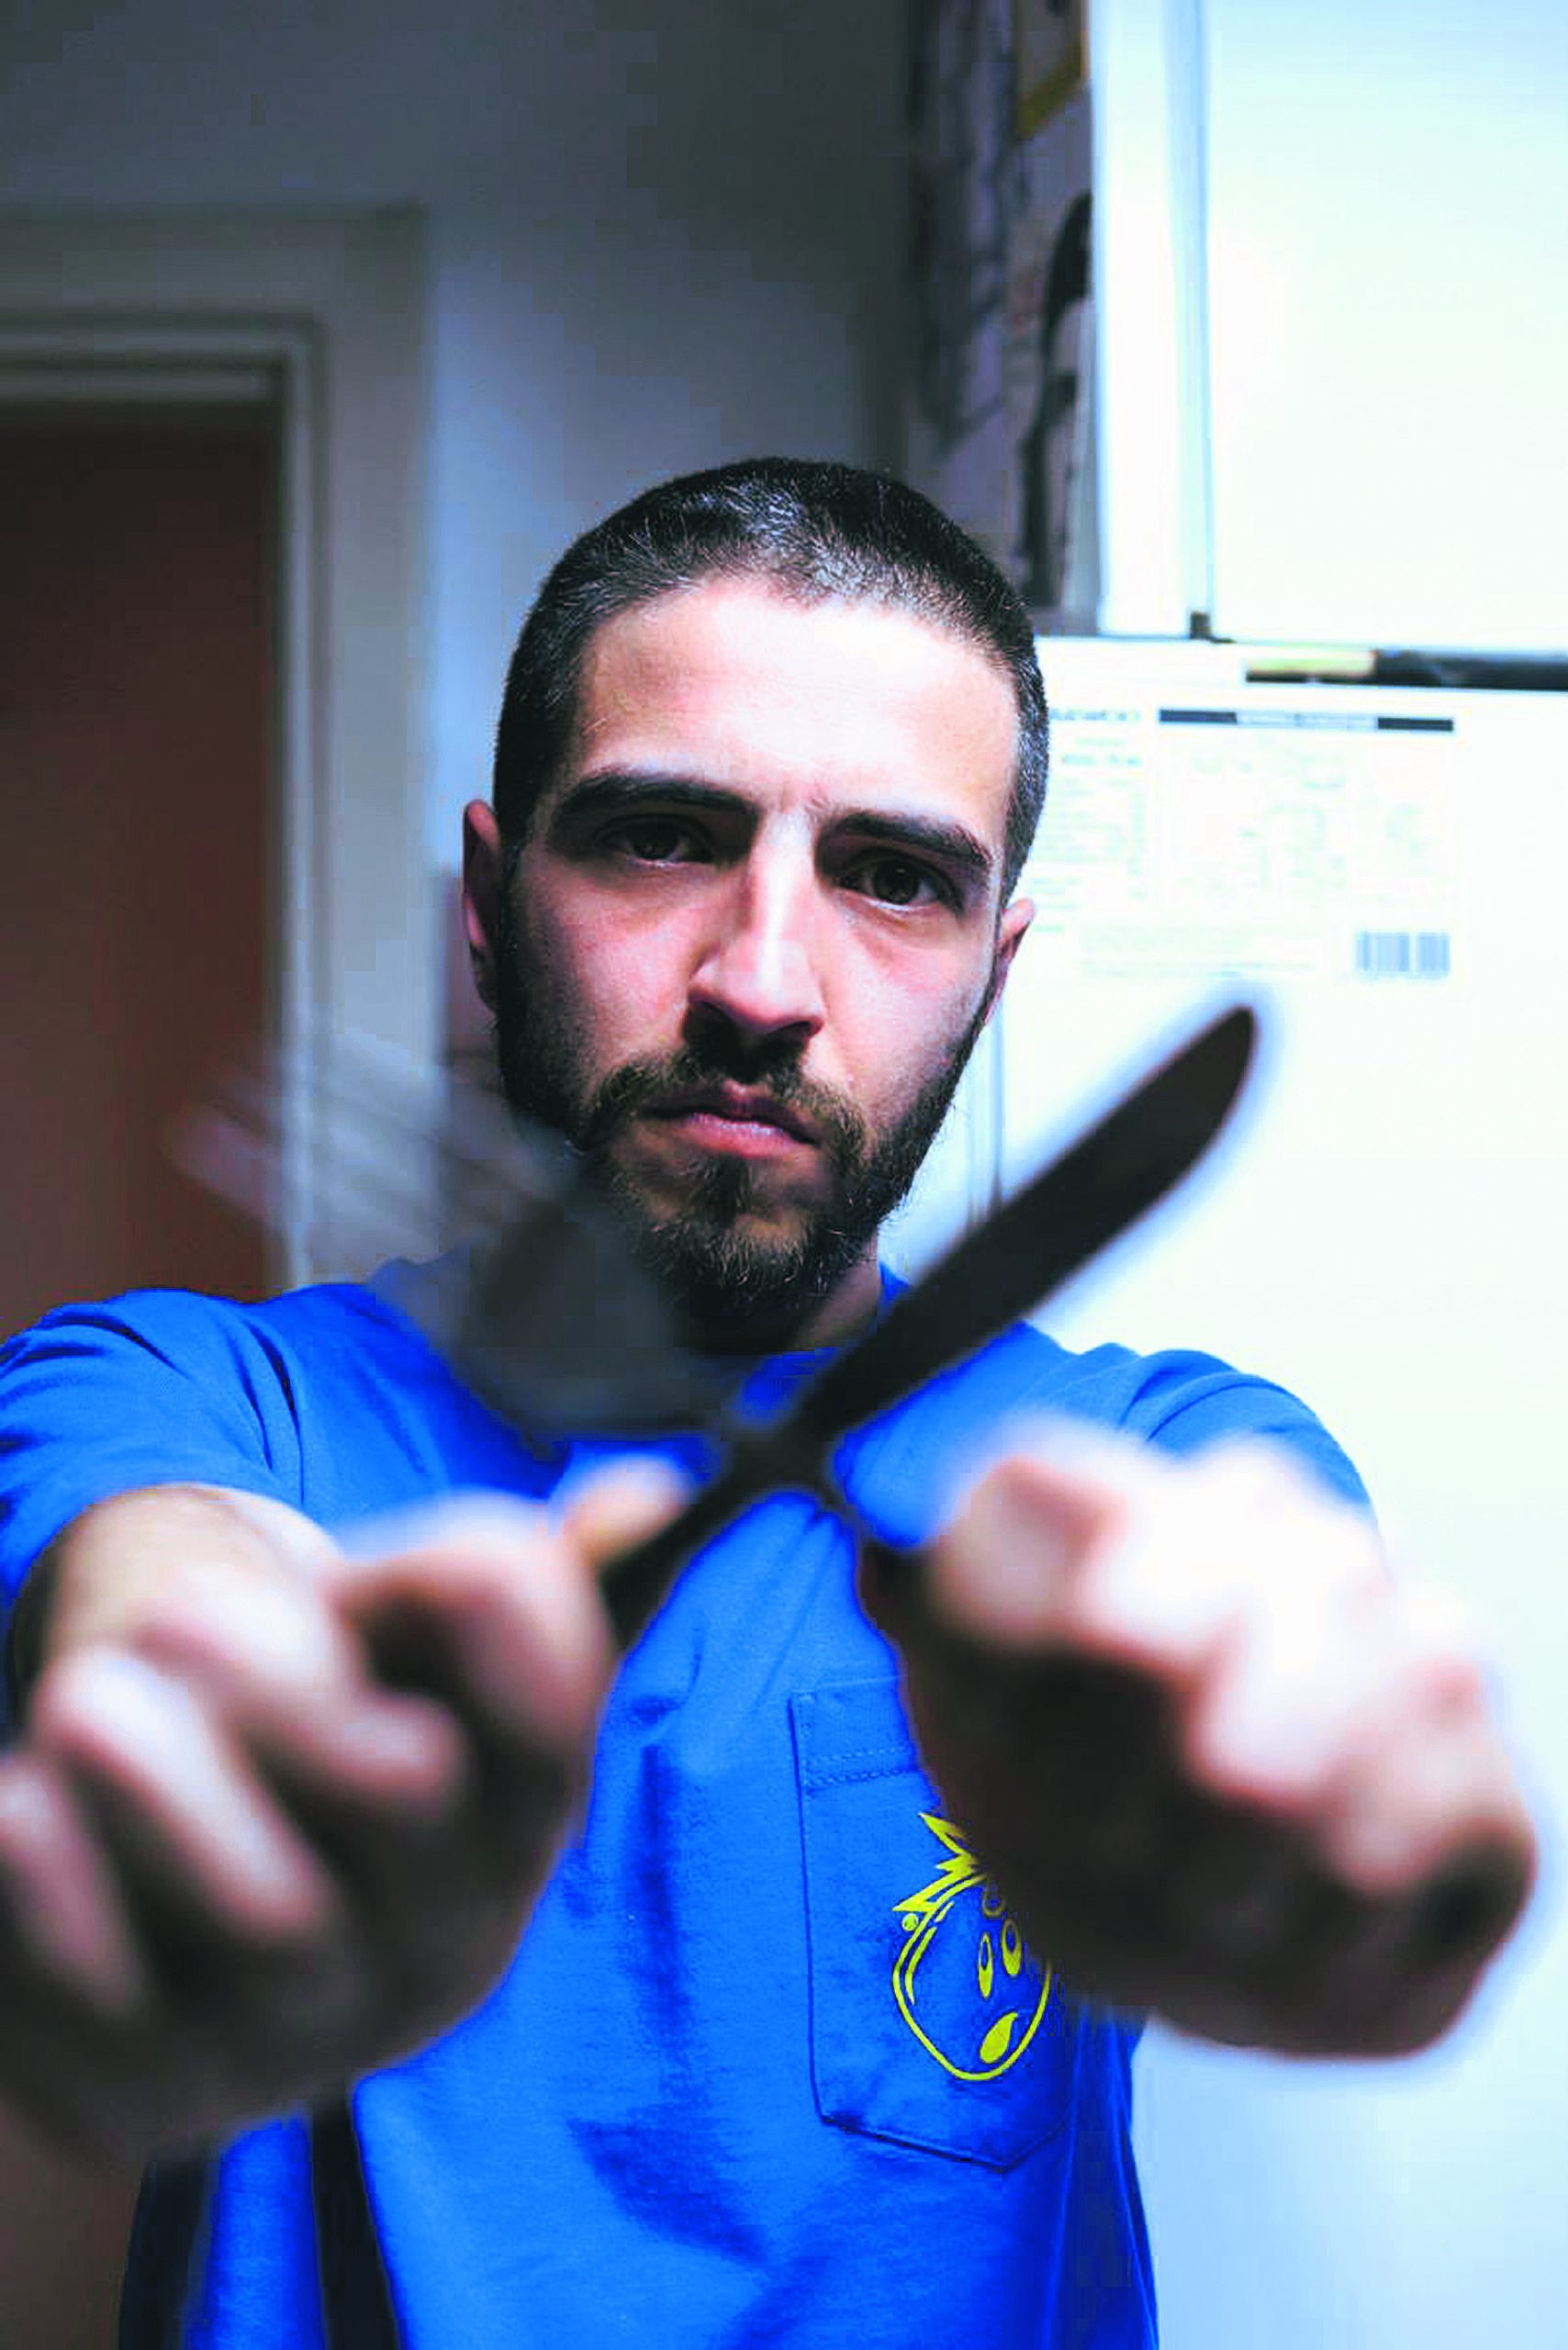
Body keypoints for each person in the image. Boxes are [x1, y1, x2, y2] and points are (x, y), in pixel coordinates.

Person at [0, 458, 1536, 2348]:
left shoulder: (1160, 1459)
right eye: (659, 836)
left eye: (893, 877)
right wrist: (212, 1696)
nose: (762, 981)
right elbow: (159, 1571)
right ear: (489, 901)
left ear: (994, 969)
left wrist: (1322, 1815)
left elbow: (1281, 1626)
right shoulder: (184, 1394)